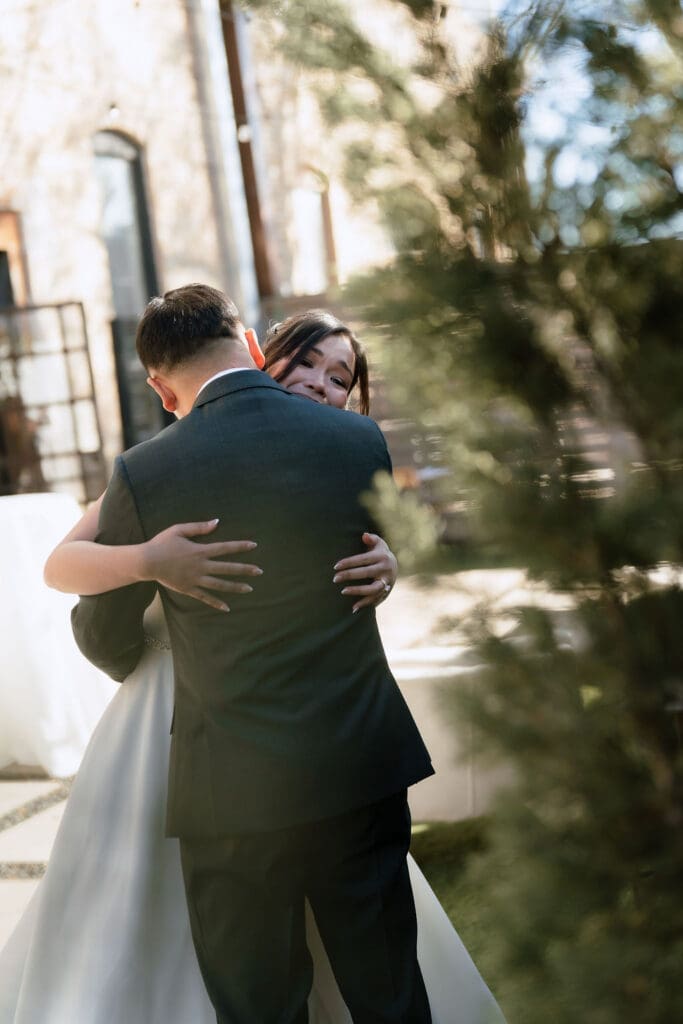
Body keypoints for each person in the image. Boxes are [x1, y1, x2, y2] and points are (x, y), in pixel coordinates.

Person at [0, 296, 505, 1024]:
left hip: (230, 778)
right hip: (354, 759)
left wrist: (130, 628)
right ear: (251, 343)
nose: (329, 383)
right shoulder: (357, 441)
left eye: (342, 374)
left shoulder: (148, 471)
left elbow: (102, 622)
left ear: (158, 387)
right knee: (388, 988)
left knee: (260, 1001)